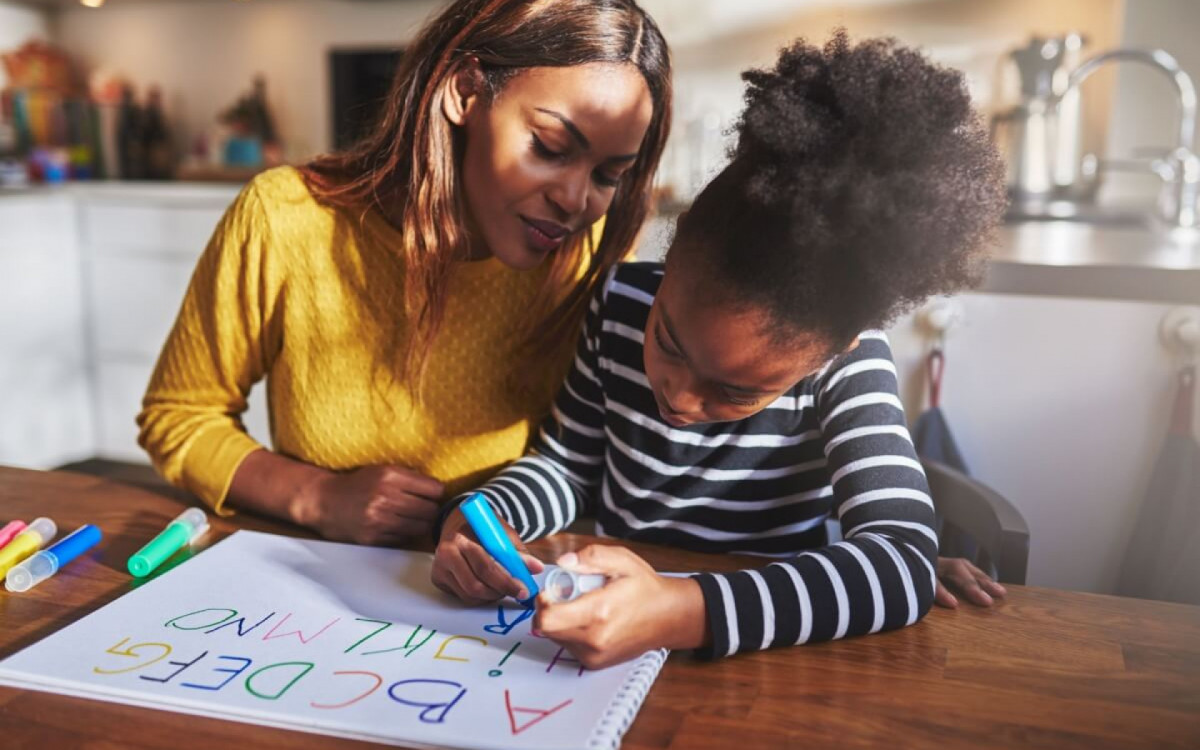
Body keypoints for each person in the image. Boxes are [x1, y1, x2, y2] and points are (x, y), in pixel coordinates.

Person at [431, 31, 1008, 666]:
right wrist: (486, 513)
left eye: (735, 391)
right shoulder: (619, 300)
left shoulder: (849, 363)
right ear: (673, 249)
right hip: (607, 639)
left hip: (761, 659)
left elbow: (901, 561)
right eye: (668, 342)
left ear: (829, 351)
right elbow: (567, 466)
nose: (678, 397)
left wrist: (681, 610)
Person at [136, 0, 672, 546]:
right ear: (465, 92)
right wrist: (317, 496)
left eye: (609, 175)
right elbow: (179, 416)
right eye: (549, 147)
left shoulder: (589, 253)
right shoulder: (285, 218)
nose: (575, 200)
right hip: (320, 571)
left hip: (504, 583)